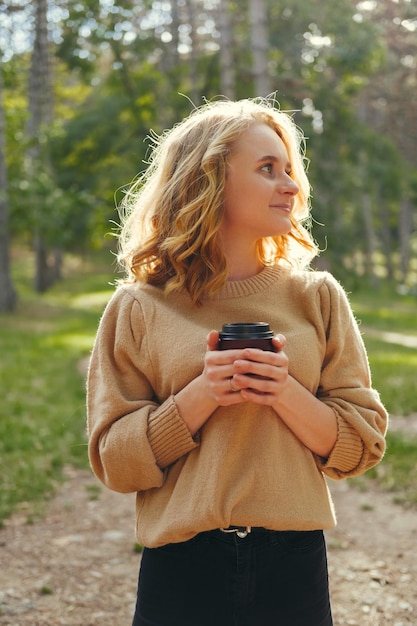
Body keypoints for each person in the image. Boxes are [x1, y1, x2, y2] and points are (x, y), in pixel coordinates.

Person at [87, 97, 388, 626]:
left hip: (294, 564)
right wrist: (202, 394)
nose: (291, 186)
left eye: (290, 170)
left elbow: (362, 446)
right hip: (181, 566)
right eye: (267, 169)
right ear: (209, 181)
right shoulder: (138, 306)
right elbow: (115, 461)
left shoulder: (317, 297)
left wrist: (283, 391)